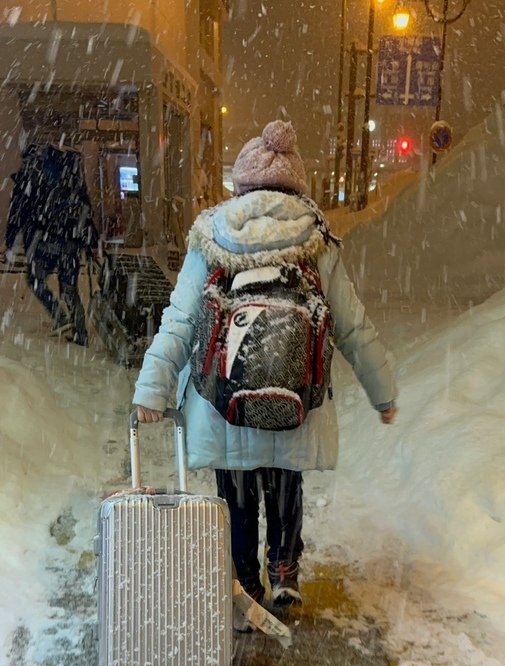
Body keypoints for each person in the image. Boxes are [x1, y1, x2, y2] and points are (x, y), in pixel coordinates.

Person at [133, 120, 397, 627]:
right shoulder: (316, 240)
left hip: (222, 404)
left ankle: (245, 581)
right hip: (295, 399)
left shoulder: (212, 235)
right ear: (296, 187)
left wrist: (153, 389)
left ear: (241, 186)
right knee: (285, 480)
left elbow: (182, 320)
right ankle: (285, 567)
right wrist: (383, 393)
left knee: (235, 491)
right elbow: (352, 326)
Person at [4, 144, 99, 347]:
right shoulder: (70, 177)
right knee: (69, 287)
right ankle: (80, 334)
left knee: (35, 279)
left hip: (44, 238)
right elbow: (85, 208)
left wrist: (11, 242)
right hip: (71, 239)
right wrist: (89, 239)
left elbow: (17, 214)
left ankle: (60, 317)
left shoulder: (30, 179)